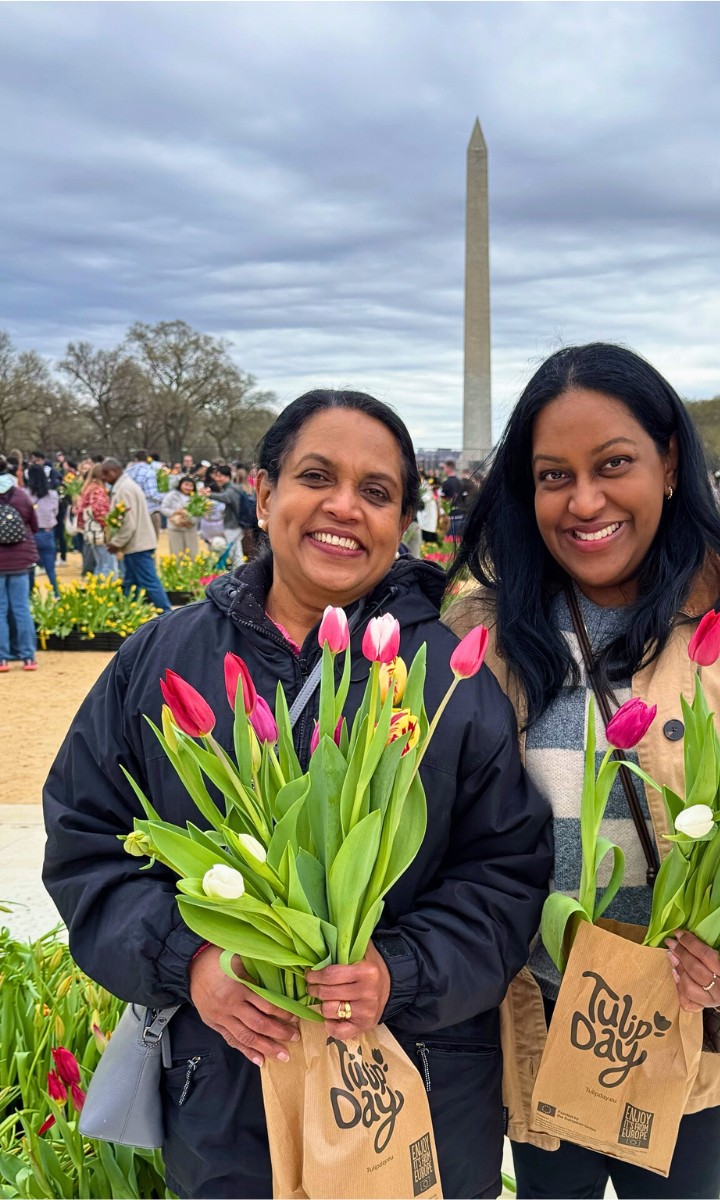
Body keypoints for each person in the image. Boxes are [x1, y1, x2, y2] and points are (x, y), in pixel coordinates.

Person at [44, 390, 552, 1200]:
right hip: (230, 1096)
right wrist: (192, 961)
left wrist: (399, 970)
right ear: (265, 490)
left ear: (402, 520)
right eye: (317, 476)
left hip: (413, 1093)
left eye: (378, 492)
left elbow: (507, 877)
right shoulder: (161, 660)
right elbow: (85, 846)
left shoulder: (451, 684)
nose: (344, 507)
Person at [445, 343, 720, 1200]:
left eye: (614, 465)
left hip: (686, 1015)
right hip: (541, 1011)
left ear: (669, 462)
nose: (585, 501)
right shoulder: (482, 632)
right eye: (553, 475)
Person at [100, 458, 172, 612]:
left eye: (105, 475)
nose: (104, 479)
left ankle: (167, 613)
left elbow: (128, 522)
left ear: (113, 472)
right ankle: (128, 611)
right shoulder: (127, 486)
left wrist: (117, 542)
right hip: (137, 543)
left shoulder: (124, 489)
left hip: (137, 545)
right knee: (131, 582)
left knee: (149, 582)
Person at [0, 454, 39, 671]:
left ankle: (2, 659)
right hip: (21, 561)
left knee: (0, 610)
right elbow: (33, 525)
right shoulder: (20, 495)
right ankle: (28, 657)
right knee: (22, 609)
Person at [73, 464, 118, 576]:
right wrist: (108, 527)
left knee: (100, 564)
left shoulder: (89, 488)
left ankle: (99, 589)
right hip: (100, 532)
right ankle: (107, 590)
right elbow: (99, 511)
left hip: (92, 531)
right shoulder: (97, 490)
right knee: (108, 565)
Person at [25, 464, 60, 595]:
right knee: (50, 569)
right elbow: (55, 512)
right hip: (47, 532)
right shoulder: (52, 494)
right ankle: (56, 593)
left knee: (30, 568)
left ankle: (31, 595)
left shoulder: (25, 494)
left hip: (31, 534)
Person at [209, 463, 245, 568]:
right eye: (217, 476)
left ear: (228, 477)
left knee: (234, 551)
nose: (218, 478)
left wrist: (209, 495)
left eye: (221, 476)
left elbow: (226, 497)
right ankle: (238, 571)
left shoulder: (231, 489)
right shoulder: (232, 487)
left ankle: (238, 572)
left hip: (233, 525)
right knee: (235, 550)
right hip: (235, 524)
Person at [160, 475, 201, 557]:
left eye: (191, 486)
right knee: (177, 554)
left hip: (190, 529)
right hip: (175, 528)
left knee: (193, 554)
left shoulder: (196, 497)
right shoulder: (172, 495)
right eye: (186, 484)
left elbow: (199, 513)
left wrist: (190, 520)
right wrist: (175, 512)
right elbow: (163, 508)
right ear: (180, 484)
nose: (188, 488)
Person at [125, 450, 164, 535]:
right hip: (149, 511)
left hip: (131, 511)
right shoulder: (149, 472)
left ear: (135, 459)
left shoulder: (127, 473)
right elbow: (151, 495)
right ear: (147, 459)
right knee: (151, 542)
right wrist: (163, 500)